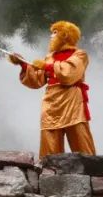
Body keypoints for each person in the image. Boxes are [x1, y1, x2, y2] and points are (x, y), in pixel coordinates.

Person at [9, 21, 96, 158]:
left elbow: (69, 74)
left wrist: (47, 66)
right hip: (51, 101)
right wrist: (23, 63)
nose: (51, 37)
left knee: (80, 138)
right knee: (49, 140)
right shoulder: (49, 57)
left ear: (65, 35)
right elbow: (37, 80)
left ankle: (93, 169)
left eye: (55, 33)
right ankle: (49, 172)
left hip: (72, 101)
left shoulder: (80, 55)